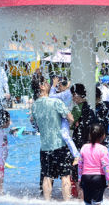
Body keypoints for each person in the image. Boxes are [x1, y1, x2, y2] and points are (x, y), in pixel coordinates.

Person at [30, 73, 75, 201]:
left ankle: (47, 202)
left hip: (45, 147)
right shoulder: (56, 102)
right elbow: (71, 118)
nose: (50, 84)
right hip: (60, 145)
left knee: (47, 176)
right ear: (42, 86)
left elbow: (33, 121)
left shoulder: (35, 105)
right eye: (47, 82)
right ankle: (67, 202)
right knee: (65, 176)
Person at [78, 124, 109, 205]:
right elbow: (105, 165)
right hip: (99, 178)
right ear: (103, 136)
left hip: (86, 178)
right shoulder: (103, 149)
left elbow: (80, 165)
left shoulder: (84, 147)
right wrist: (108, 179)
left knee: (87, 202)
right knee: (97, 202)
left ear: (90, 135)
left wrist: (80, 179)